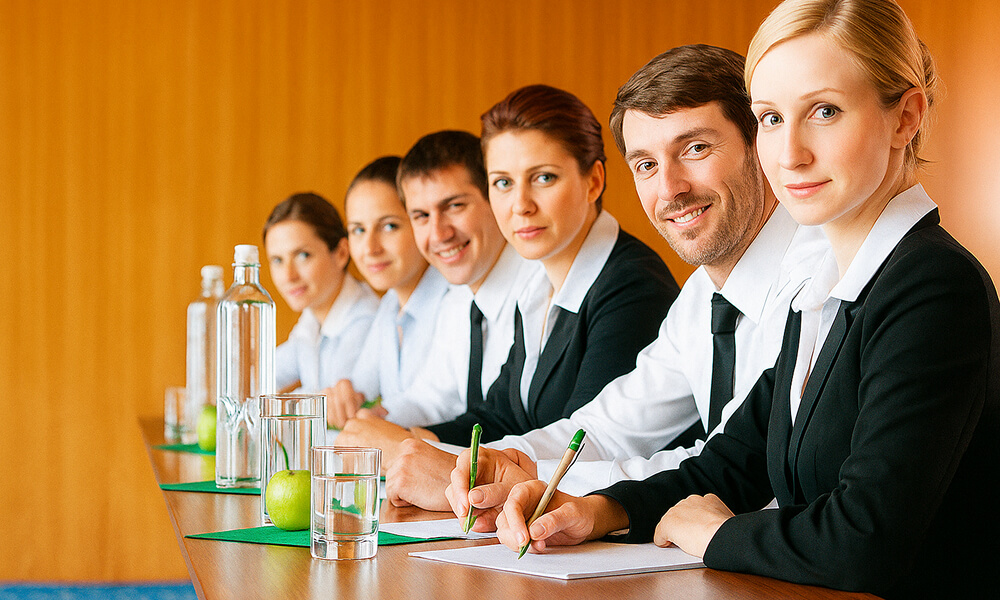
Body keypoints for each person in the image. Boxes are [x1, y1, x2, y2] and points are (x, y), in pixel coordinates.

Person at [492, 1, 1000, 598]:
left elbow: (867, 539)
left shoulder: (931, 285)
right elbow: (732, 464)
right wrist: (598, 511)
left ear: (905, 117)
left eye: (825, 112)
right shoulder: (821, 284)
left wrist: (718, 535)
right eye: (772, 119)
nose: (790, 155)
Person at [441, 45, 828, 523]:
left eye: (695, 149)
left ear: (760, 145)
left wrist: (555, 487)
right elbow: (610, 428)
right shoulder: (702, 295)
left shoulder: (820, 282)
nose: (670, 188)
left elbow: (726, 470)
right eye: (647, 165)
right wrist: (509, 462)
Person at [381, 84, 680, 508]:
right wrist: (417, 443)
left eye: (543, 178)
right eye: (502, 183)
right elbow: (502, 413)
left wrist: (444, 465)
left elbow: (590, 444)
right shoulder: (538, 286)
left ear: (594, 181)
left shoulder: (632, 286)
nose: (520, 205)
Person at [334, 130, 542, 439]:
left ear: (495, 197)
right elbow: (433, 398)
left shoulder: (541, 286)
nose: (439, 234)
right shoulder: (459, 297)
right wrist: (379, 421)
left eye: (455, 206)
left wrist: (411, 440)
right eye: (420, 215)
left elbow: (515, 422)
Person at [325, 156, 450, 428]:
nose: (370, 248)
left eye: (389, 226)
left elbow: (438, 406)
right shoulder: (390, 305)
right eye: (358, 230)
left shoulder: (455, 300)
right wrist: (343, 395)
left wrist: (374, 416)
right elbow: (360, 387)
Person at [263, 192, 379, 394]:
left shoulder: (366, 320)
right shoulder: (312, 318)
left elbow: (326, 405)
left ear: (342, 253)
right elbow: (262, 375)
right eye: (277, 260)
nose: (288, 276)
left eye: (302, 255)